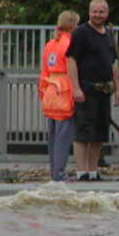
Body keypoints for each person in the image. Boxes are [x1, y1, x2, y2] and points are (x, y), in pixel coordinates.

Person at [66, 0, 119, 181]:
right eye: (94, 12)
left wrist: (117, 89)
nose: (97, 15)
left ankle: (92, 170)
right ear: (89, 12)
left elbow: (112, 64)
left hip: (104, 90)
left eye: (101, 12)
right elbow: (71, 60)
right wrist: (76, 88)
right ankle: (81, 172)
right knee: (83, 132)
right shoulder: (81, 32)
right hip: (86, 88)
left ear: (107, 13)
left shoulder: (108, 34)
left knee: (99, 133)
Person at [38, 10, 80, 181]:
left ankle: (55, 172)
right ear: (72, 26)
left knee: (53, 139)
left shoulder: (51, 44)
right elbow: (72, 71)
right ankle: (60, 175)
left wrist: (43, 94)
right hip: (65, 93)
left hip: (51, 93)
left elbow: (44, 72)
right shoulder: (69, 44)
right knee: (63, 139)